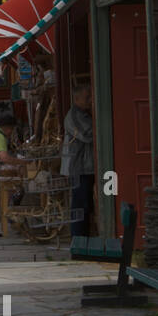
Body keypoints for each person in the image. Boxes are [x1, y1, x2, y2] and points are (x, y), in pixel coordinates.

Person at [61, 84, 96, 237]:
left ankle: (84, 238)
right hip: (79, 168)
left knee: (86, 205)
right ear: (76, 99)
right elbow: (89, 134)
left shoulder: (84, 114)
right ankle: (79, 240)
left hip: (86, 167)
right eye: (87, 97)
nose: (90, 100)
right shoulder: (75, 115)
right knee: (80, 206)